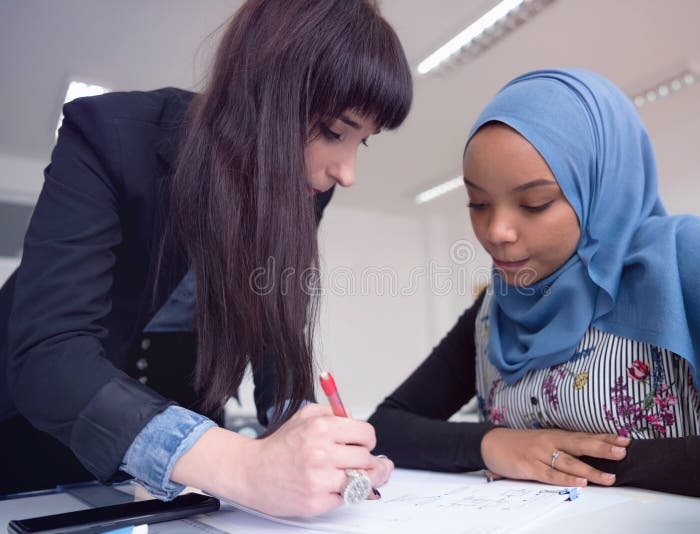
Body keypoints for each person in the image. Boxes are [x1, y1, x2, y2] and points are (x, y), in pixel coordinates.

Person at [0, 0, 412, 517]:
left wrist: (308, 433)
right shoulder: (109, 136)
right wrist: (242, 466)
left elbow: (273, 331)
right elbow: (50, 357)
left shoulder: (306, 188)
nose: (346, 172)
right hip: (35, 443)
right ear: (261, 90)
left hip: (192, 451)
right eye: (334, 131)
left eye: (362, 142)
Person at [369, 68, 700, 502]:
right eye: (478, 203)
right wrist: (492, 443)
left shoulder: (685, 260)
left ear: (598, 187)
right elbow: (387, 426)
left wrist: (595, 462)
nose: (496, 231)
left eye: (534, 204)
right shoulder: (496, 309)